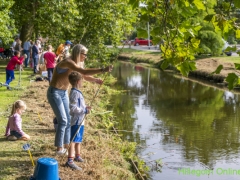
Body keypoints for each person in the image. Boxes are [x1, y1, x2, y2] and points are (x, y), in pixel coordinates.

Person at [47, 44, 113, 155]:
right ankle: (59, 149)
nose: (86, 57)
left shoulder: (78, 63)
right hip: (55, 92)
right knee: (63, 120)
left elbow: (84, 76)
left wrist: (95, 80)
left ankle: (67, 146)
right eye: (84, 54)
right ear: (78, 53)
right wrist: (102, 70)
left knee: (68, 118)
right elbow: (85, 72)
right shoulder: (68, 62)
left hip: (63, 93)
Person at [66, 71, 90, 170]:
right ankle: (70, 160)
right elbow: (72, 108)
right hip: (76, 120)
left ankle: (77, 156)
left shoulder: (77, 92)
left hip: (80, 120)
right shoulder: (75, 93)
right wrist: (83, 110)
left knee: (78, 139)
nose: (82, 83)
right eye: (81, 81)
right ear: (77, 81)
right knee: (73, 140)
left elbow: (79, 105)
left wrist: (85, 108)